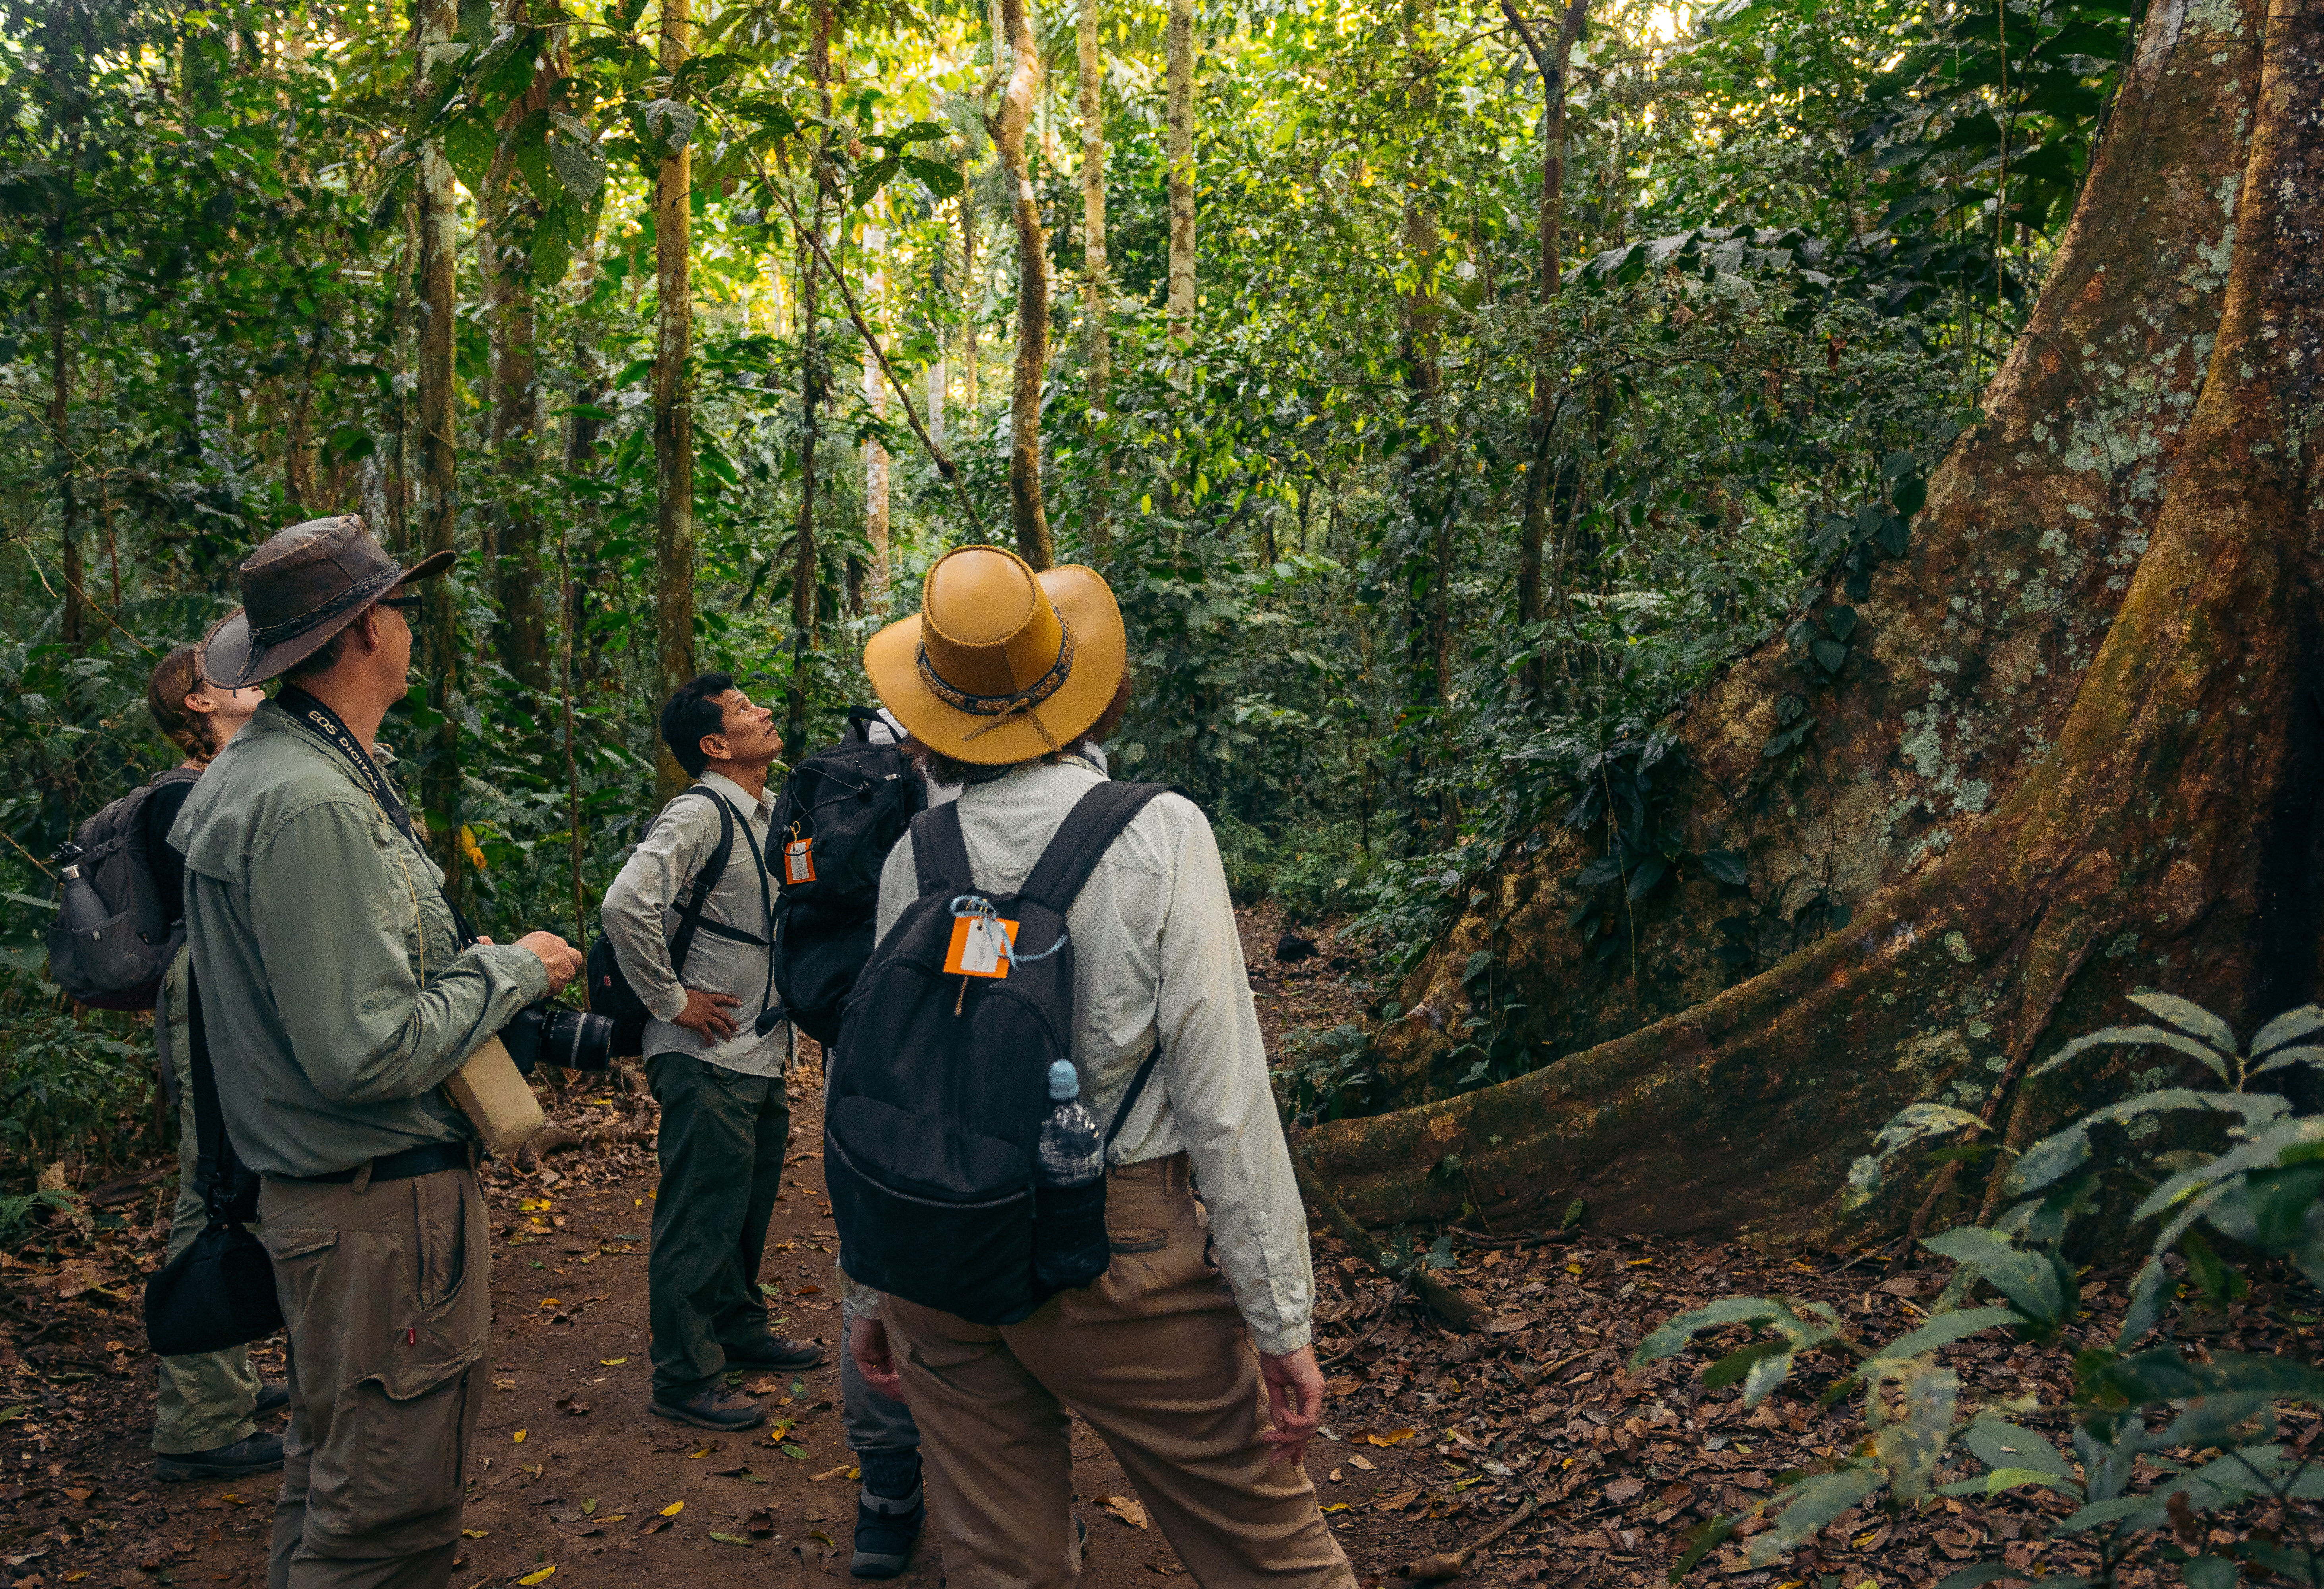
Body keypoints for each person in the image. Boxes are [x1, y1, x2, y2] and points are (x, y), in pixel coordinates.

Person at [846, 545, 1356, 1589]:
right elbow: (1224, 1101)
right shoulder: (1160, 835)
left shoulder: (917, 852)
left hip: (939, 1263)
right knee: (1273, 1557)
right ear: (1081, 687)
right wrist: (1280, 1321)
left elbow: (895, 1084)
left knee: (1000, 1562)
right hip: (1116, 1255)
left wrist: (871, 1292)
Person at [172, 514, 585, 1589]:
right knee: (384, 1525)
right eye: (398, 605)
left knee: (333, 1485)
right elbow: (360, 1051)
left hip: (347, 1209)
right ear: (363, 631)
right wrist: (516, 972)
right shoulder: (308, 801)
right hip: (372, 1221)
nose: (409, 625)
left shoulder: (302, 768)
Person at [601, 673, 822, 1434]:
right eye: (742, 710)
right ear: (714, 744)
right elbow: (626, 902)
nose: (763, 712)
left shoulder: (767, 813)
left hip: (754, 1049)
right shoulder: (700, 813)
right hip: (703, 1054)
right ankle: (685, 1374)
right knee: (702, 1212)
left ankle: (737, 1327)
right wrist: (672, 1001)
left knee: (747, 1201)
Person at [140, 646, 288, 1481]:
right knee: (213, 1186)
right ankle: (198, 1422)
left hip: (224, 988)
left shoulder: (225, 779)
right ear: (197, 700)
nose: (248, 673)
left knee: (233, 1180)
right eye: (224, 671)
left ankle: (223, 1373)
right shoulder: (188, 793)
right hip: (209, 994)